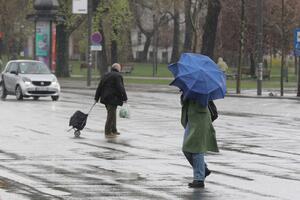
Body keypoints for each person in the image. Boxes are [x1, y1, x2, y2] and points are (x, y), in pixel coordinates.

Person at [181, 94, 219, 188]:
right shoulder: (189, 90)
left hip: (200, 121)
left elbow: (202, 103)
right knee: (186, 149)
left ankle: (199, 179)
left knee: (197, 150)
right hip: (191, 121)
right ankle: (203, 169)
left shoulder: (203, 91)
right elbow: (184, 103)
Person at [94, 63, 128, 138]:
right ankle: (107, 131)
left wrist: (96, 98)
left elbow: (99, 87)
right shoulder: (118, 76)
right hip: (113, 98)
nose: (120, 69)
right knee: (111, 115)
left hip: (105, 98)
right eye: (120, 67)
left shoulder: (105, 75)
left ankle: (114, 130)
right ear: (117, 68)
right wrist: (125, 98)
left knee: (112, 114)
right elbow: (120, 87)